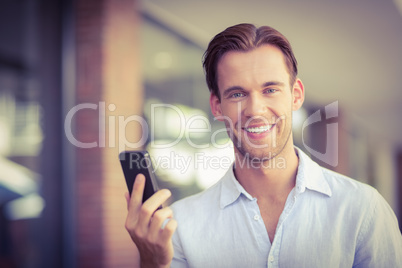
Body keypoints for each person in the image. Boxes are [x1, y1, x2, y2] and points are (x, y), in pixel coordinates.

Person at [125, 23, 402, 267]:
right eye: (237, 94)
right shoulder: (181, 227)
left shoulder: (363, 210)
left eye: (270, 90)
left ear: (296, 96)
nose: (255, 109)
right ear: (217, 106)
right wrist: (152, 263)